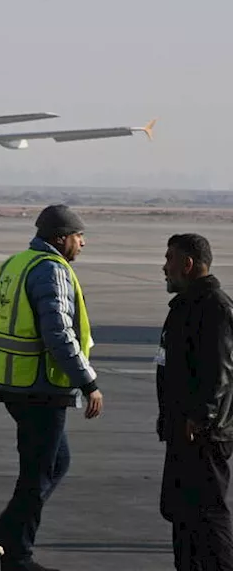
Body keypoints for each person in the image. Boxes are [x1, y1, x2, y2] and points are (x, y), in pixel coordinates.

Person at [0, 204, 104, 571]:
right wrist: (89, 382)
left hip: (14, 381)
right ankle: (15, 550)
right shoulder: (52, 271)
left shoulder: (16, 263)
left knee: (54, 463)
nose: (82, 244)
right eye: (78, 236)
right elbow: (59, 334)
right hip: (42, 384)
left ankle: (10, 540)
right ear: (60, 238)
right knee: (37, 473)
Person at [158, 233, 233, 569]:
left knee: (208, 513)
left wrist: (200, 416)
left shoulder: (214, 307)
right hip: (181, 426)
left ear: (187, 264)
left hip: (202, 432)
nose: (164, 267)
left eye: (169, 259)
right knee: (180, 511)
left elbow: (220, 369)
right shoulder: (188, 304)